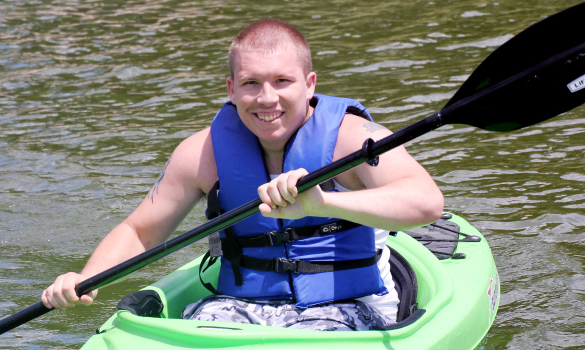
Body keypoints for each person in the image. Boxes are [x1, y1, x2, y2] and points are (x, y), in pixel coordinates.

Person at [41, 18, 443, 331]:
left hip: (346, 307)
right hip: (240, 306)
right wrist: (87, 277)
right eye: (252, 84)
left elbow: (426, 203)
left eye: (282, 81)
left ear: (309, 84)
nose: (267, 98)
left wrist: (321, 203)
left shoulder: (352, 138)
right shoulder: (201, 154)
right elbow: (141, 231)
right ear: (231, 89)